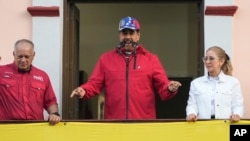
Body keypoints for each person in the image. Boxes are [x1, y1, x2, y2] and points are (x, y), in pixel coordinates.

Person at [70, 16, 182, 120]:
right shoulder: (106, 59)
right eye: (124, 33)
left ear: (138, 35)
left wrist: (170, 88)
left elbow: (163, 87)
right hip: (114, 123)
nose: (127, 37)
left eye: (131, 33)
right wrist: (84, 90)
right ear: (119, 35)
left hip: (143, 124)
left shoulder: (151, 59)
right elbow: (94, 83)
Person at [0, 39, 60, 125]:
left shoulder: (42, 76)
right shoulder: (1, 72)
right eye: (20, 56)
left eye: (27, 56)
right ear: (14, 54)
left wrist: (54, 114)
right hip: (8, 129)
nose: (23, 60)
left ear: (33, 55)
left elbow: (50, 101)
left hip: (35, 129)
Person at [186, 46, 244, 122]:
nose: (207, 62)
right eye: (205, 58)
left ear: (221, 61)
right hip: (203, 127)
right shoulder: (196, 83)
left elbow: (238, 104)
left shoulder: (233, 82)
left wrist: (237, 114)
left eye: (211, 58)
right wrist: (191, 114)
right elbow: (192, 104)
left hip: (225, 125)